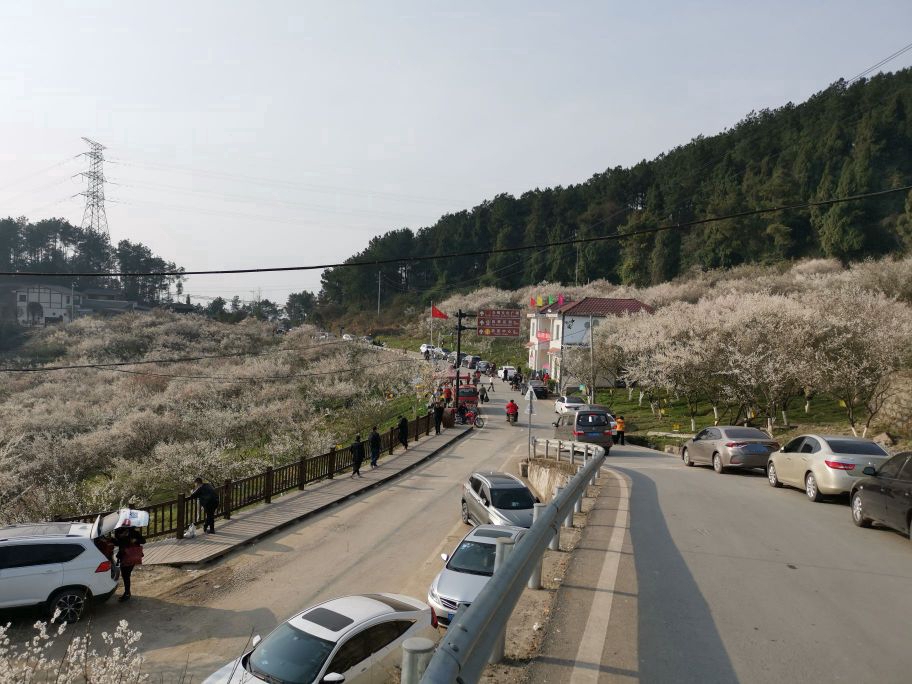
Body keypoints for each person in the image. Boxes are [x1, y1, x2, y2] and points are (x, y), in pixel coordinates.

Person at [114, 526, 145, 602]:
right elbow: (118, 542)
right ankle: (127, 592)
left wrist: (134, 540)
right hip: (129, 556)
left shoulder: (132, 532)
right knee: (126, 575)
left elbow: (143, 541)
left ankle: (127, 593)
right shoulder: (119, 531)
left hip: (128, 556)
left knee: (126, 575)